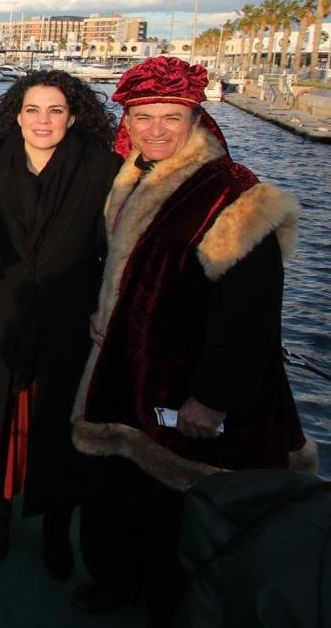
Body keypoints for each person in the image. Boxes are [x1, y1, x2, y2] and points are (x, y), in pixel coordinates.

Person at [69, 56, 313, 623]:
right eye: (143, 116)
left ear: (195, 118)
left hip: (187, 381)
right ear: (126, 119)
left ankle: (168, 601)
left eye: (170, 117)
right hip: (129, 360)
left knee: (175, 502)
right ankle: (118, 578)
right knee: (123, 484)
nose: (155, 129)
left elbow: (250, 313)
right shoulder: (133, 176)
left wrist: (214, 394)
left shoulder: (231, 194)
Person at [0, 71, 122, 580]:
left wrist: (106, 309)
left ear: (72, 117)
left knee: (57, 425)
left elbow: (113, 249)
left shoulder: (105, 169)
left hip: (67, 314)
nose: (42, 121)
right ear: (17, 114)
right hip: (0, 311)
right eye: (33, 110)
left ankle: (56, 525)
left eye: (54, 111)